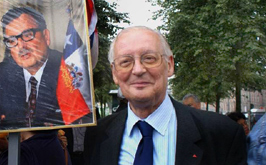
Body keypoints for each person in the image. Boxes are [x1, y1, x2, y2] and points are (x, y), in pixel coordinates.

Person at [83, 26, 247, 164]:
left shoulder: (222, 134)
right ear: (115, 73)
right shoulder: (97, 134)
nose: (138, 70)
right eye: (125, 61)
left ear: (169, 65)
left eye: (149, 58)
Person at [0, 6, 65, 130]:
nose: (21, 47)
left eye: (28, 35)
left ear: (46, 36)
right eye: (12, 41)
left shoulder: (68, 68)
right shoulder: (1, 74)